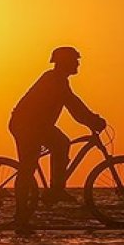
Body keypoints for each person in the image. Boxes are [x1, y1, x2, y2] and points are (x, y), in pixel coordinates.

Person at [9, 46, 106, 232]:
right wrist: (92, 120)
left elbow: (74, 104)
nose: (77, 64)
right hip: (26, 126)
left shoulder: (59, 80)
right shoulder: (53, 80)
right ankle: (22, 217)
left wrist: (91, 119)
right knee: (28, 167)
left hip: (39, 126)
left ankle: (55, 190)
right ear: (65, 62)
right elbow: (74, 106)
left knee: (61, 143)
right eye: (75, 60)